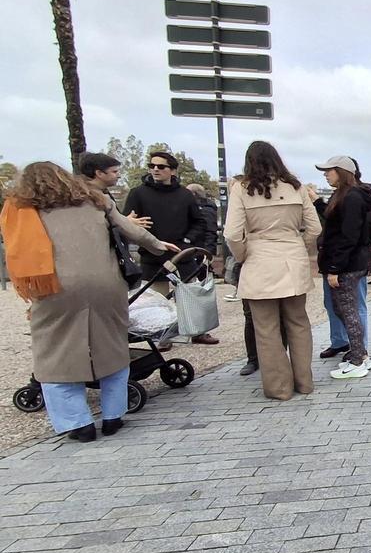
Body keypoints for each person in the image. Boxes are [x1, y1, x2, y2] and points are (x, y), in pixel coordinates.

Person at [0, 162, 176, 441]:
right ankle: (113, 416)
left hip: (56, 286)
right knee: (112, 345)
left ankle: (78, 423)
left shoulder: (22, 207)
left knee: (56, 351)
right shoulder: (97, 200)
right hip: (107, 284)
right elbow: (131, 230)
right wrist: (159, 246)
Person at [224, 142, 321, 401]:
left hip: (259, 259)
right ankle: (304, 381)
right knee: (298, 323)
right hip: (292, 256)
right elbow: (314, 228)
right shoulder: (296, 186)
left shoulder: (241, 189)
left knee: (266, 329)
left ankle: (279, 387)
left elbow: (232, 233)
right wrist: (299, 246)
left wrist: (243, 255)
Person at [121, 150, 218, 345]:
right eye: (152, 166)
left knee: (191, 294)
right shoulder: (138, 193)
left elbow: (198, 222)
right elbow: (127, 222)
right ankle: (162, 336)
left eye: (161, 166)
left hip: (182, 253)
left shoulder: (185, 195)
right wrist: (139, 231)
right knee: (158, 299)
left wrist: (188, 241)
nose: (155, 169)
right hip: (152, 253)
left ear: (172, 170)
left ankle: (198, 331)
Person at [316, 156, 371, 379]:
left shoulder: (352, 197)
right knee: (343, 310)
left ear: (341, 172)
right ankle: (360, 356)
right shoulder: (349, 196)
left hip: (347, 265)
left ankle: (358, 360)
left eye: (329, 171)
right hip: (350, 262)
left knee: (349, 312)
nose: (326, 175)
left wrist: (335, 268)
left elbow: (348, 236)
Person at [186, 183, 220, 278]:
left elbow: (210, 232)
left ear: (193, 194)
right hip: (198, 248)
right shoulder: (206, 207)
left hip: (200, 249)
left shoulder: (204, 210)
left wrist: (208, 253)